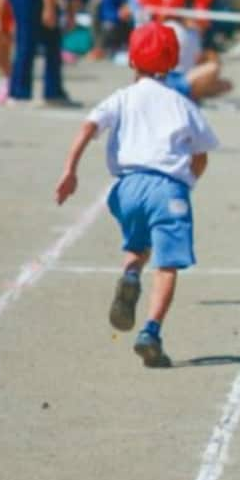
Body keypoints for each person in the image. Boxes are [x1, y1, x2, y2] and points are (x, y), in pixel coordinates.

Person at [53, 21, 219, 368]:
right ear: (174, 63)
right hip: (168, 187)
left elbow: (88, 127)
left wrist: (71, 169)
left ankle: (130, 275)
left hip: (126, 188)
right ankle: (151, 331)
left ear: (131, 60)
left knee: (136, 247)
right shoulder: (181, 103)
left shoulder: (122, 98)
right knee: (167, 264)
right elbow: (201, 154)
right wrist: (187, 182)